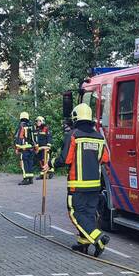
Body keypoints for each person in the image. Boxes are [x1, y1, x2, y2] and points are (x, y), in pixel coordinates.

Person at [54, 103, 111, 255]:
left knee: (76, 213)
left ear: (75, 118)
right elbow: (105, 158)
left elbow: (65, 159)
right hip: (95, 185)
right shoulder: (99, 137)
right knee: (89, 214)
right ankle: (83, 244)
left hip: (77, 184)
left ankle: (98, 238)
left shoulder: (73, 135)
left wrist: (51, 163)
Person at [14, 111, 36, 185]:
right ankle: (30, 179)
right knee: (30, 163)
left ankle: (25, 179)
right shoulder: (32, 125)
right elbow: (35, 137)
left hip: (24, 148)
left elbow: (19, 137)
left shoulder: (21, 126)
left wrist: (17, 148)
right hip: (31, 148)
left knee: (24, 163)